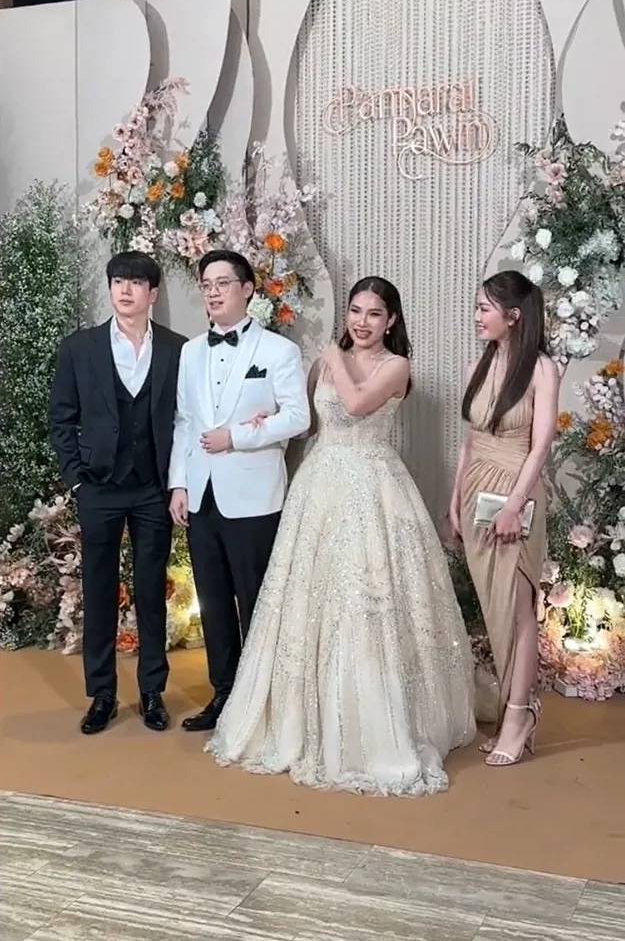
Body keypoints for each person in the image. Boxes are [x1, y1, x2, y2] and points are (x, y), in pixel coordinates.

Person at [206, 276, 476, 795]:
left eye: (374, 314)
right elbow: (309, 425)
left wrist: (331, 354)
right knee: (310, 603)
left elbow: (354, 405)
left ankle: (376, 724)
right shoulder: (323, 364)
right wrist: (267, 417)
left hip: (375, 488)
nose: (362, 321)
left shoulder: (396, 366)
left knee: (368, 600)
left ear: (391, 321)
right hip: (319, 487)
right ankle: (301, 716)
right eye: (355, 310)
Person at [169, 249, 310, 732]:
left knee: (256, 601)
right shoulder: (190, 352)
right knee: (212, 603)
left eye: (222, 283)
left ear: (248, 289)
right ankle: (224, 694)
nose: (213, 292)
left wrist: (238, 436)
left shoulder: (278, 351)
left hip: (254, 497)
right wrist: (179, 483)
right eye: (206, 284)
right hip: (202, 495)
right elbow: (184, 422)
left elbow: (298, 417)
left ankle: (264, 700)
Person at [49, 251, 186, 735]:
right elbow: (61, 419)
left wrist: (176, 483)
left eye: (135, 283)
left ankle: (152, 693)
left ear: (153, 293)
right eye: (118, 282)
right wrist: (77, 481)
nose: (125, 290)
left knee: (151, 592)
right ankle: (102, 695)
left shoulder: (177, 348)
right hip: (99, 488)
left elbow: (185, 420)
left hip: (152, 489)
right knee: (99, 590)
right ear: (110, 289)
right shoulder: (79, 348)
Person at [449, 270, 558, 767]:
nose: (477, 316)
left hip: (517, 490)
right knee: (492, 604)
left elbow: (541, 445)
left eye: (484, 308)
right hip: (477, 491)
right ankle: (512, 710)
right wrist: (455, 499)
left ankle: (518, 715)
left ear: (513, 315)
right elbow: (470, 441)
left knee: (517, 607)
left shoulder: (541, 369)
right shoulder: (478, 364)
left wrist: (514, 503)